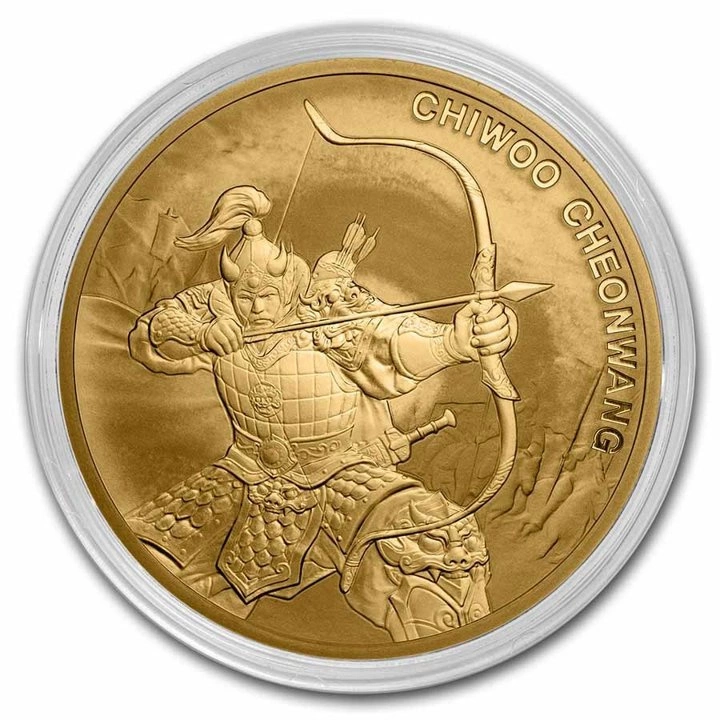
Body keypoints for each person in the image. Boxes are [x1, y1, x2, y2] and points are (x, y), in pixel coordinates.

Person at [126, 185, 518, 640]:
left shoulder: (324, 309)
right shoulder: (216, 303)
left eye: (267, 295)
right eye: (246, 297)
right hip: (244, 474)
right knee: (155, 574)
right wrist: (201, 334)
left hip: (339, 474)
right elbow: (155, 330)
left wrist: (456, 341)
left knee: (438, 542)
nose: (256, 307)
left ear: (289, 284)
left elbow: (391, 340)